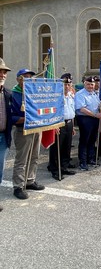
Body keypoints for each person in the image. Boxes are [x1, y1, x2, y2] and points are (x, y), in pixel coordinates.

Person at [11, 68, 45, 200]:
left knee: (34, 156)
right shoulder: (14, 94)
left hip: (36, 128)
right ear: (19, 78)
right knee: (22, 159)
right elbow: (11, 117)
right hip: (22, 129)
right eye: (25, 77)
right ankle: (18, 186)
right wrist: (26, 118)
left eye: (31, 77)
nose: (28, 79)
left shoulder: (34, 92)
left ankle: (30, 180)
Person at [48, 74, 76, 180]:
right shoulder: (56, 96)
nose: (67, 86)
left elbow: (71, 111)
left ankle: (64, 167)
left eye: (69, 84)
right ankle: (55, 170)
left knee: (66, 147)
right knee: (56, 148)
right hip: (59, 124)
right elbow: (52, 112)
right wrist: (54, 125)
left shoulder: (71, 95)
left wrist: (72, 126)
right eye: (65, 84)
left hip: (69, 123)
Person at [74, 76, 101, 171]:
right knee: (84, 141)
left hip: (94, 119)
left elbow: (98, 105)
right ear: (84, 84)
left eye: (92, 84)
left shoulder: (94, 94)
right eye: (88, 84)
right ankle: (83, 162)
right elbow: (81, 109)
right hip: (85, 119)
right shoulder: (80, 94)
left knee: (92, 140)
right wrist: (94, 115)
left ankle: (91, 159)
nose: (90, 86)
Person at [0, 58, 12, 210]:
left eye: (4, 72)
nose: (2, 75)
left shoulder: (8, 93)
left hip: (3, 137)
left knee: (0, 170)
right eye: (0, 72)